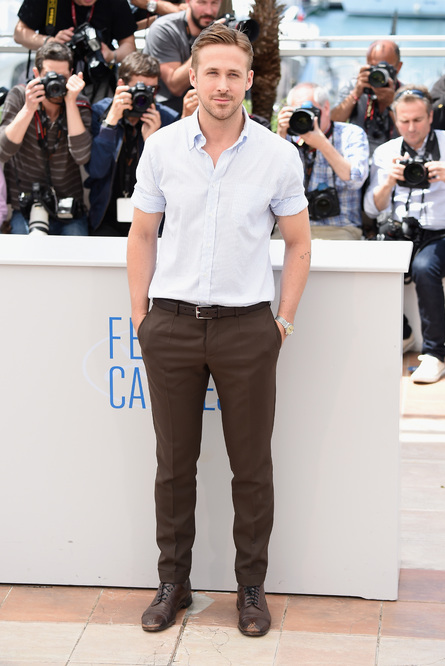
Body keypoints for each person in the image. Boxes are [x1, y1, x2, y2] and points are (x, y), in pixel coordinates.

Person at [127, 23, 311, 636]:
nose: (223, 84)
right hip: (171, 326)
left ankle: (250, 589)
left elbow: (299, 244)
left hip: (247, 329)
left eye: (234, 73)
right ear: (194, 77)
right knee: (174, 466)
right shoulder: (162, 149)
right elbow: (143, 235)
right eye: (212, 72)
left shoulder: (278, 155)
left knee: (251, 467)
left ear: (249, 80)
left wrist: (281, 321)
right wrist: (141, 319)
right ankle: (171, 584)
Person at [364, 85, 445, 383]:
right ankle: (402, 334)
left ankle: (435, 355)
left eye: (417, 120)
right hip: (402, 232)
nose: (411, 128)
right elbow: (372, 210)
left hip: (443, 234)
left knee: (425, 267)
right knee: (369, 264)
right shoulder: (387, 152)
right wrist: (388, 183)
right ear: (395, 119)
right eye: (404, 121)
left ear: (430, 118)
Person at [0, 42, 91, 236]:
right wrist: (28, 109)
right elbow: (3, 151)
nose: (56, 83)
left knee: (74, 262)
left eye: (63, 77)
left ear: (72, 75)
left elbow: (82, 156)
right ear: (36, 73)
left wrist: (70, 103)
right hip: (27, 206)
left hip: (69, 207)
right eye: (50, 76)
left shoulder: (79, 101)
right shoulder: (20, 96)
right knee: (25, 261)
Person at [86, 52, 179, 236]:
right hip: (106, 219)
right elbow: (96, 170)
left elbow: (171, 182)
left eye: (151, 90)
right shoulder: (101, 112)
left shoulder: (168, 119)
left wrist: (152, 142)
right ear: (121, 85)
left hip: (153, 222)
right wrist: (110, 124)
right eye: (139, 88)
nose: (143, 96)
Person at [276, 82, 369, 240]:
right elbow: (269, 185)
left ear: (326, 108)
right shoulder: (287, 138)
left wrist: (322, 143)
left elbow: (356, 180)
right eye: (297, 112)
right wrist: (280, 136)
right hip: (291, 227)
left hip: (340, 228)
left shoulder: (350, 134)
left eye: (308, 111)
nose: (303, 118)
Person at [13, 0, 137, 103]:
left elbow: (129, 46)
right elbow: (19, 33)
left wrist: (111, 55)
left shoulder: (115, 3)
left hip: (98, 83)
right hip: (52, 82)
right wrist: (50, 41)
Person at [143, 0, 222, 113]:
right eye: (202, 2)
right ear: (188, 1)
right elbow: (175, 86)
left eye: (214, 3)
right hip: (163, 112)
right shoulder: (164, 28)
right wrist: (208, 43)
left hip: (204, 108)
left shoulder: (220, 29)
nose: (208, 10)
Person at [331, 40, 403, 156]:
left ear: (398, 67)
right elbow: (332, 123)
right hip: (357, 156)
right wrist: (355, 94)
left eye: (384, 67)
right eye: (373, 67)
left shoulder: (405, 94)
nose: (378, 73)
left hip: (392, 159)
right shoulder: (354, 86)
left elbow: (412, 135)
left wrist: (392, 105)